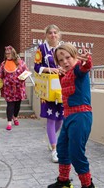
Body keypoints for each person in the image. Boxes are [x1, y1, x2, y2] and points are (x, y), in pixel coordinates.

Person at [47, 43, 95, 188]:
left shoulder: (78, 69)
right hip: (68, 117)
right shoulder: (66, 73)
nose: (65, 62)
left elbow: (85, 68)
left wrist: (87, 61)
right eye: (61, 60)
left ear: (75, 56)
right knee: (62, 149)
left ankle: (88, 185)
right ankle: (64, 182)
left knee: (76, 153)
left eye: (68, 57)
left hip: (81, 116)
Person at [34, 24, 63, 163]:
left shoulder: (63, 48)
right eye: (50, 33)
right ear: (46, 35)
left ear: (58, 34)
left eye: (55, 32)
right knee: (51, 118)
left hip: (62, 86)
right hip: (48, 86)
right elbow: (36, 66)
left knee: (60, 118)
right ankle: (54, 149)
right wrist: (48, 70)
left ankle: (52, 138)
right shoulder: (42, 48)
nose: (53, 35)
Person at [0, 46, 28, 130]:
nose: (7, 55)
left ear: (13, 53)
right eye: (6, 53)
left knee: (17, 105)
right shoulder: (3, 64)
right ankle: (9, 122)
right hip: (8, 89)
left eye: (9, 53)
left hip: (19, 88)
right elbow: (0, 75)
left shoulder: (21, 62)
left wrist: (23, 78)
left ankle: (15, 117)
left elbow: (26, 72)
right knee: (10, 105)